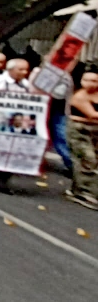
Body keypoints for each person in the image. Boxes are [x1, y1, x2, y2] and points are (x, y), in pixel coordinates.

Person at [0, 58, 31, 194]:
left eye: (26, 69)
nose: (24, 72)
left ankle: (2, 180)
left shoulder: (26, 85)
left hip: (16, 124)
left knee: (13, 152)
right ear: (10, 70)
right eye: (21, 69)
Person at [65, 68, 98, 210]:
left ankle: (76, 189)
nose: (90, 83)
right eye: (87, 80)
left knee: (90, 161)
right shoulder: (79, 96)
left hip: (95, 131)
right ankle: (85, 192)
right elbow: (93, 115)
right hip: (79, 130)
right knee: (87, 159)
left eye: (94, 81)